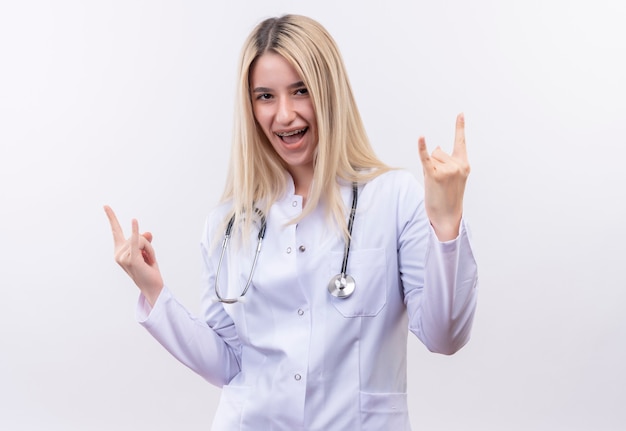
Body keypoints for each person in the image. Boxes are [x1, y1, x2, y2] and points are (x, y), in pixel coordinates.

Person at [104, 14, 478, 431]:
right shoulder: (226, 225)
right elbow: (228, 364)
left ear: (329, 92)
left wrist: (446, 223)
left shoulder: (393, 197)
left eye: (301, 91)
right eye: (265, 96)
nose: (284, 114)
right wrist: (153, 290)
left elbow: (445, 337)